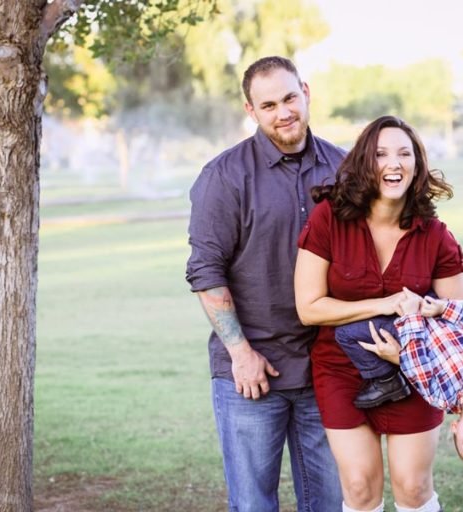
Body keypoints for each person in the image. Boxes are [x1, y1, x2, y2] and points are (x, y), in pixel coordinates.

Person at [185, 56, 345, 512]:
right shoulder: (224, 176)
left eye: (290, 97)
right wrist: (240, 352)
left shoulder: (345, 169)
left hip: (327, 368)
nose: (284, 112)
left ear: (307, 93)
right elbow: (206, 271)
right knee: (254, 505)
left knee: (331, 502)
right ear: (251, 111)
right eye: (269, 104)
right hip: (252, 374)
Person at [295, 115, 463, 512]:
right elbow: (308, 308)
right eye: (380, 154)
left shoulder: (435, 235)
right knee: (359, 487)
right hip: (341, 369)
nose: (394, 163)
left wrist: (405, 355)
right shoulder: (329, 219)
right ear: (363, 164)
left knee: (412, 486)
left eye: (404, 153)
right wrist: (385, 304)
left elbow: (459, 319)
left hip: (416, 370)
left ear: (417, 165)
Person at [351, 287, 463, 475]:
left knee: (347, 333)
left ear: (455, 428)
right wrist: (444, 308)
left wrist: (411, 316)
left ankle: (384, 376)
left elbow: (415, 360)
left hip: (411, 321)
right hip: (435, 306)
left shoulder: (440, 397)